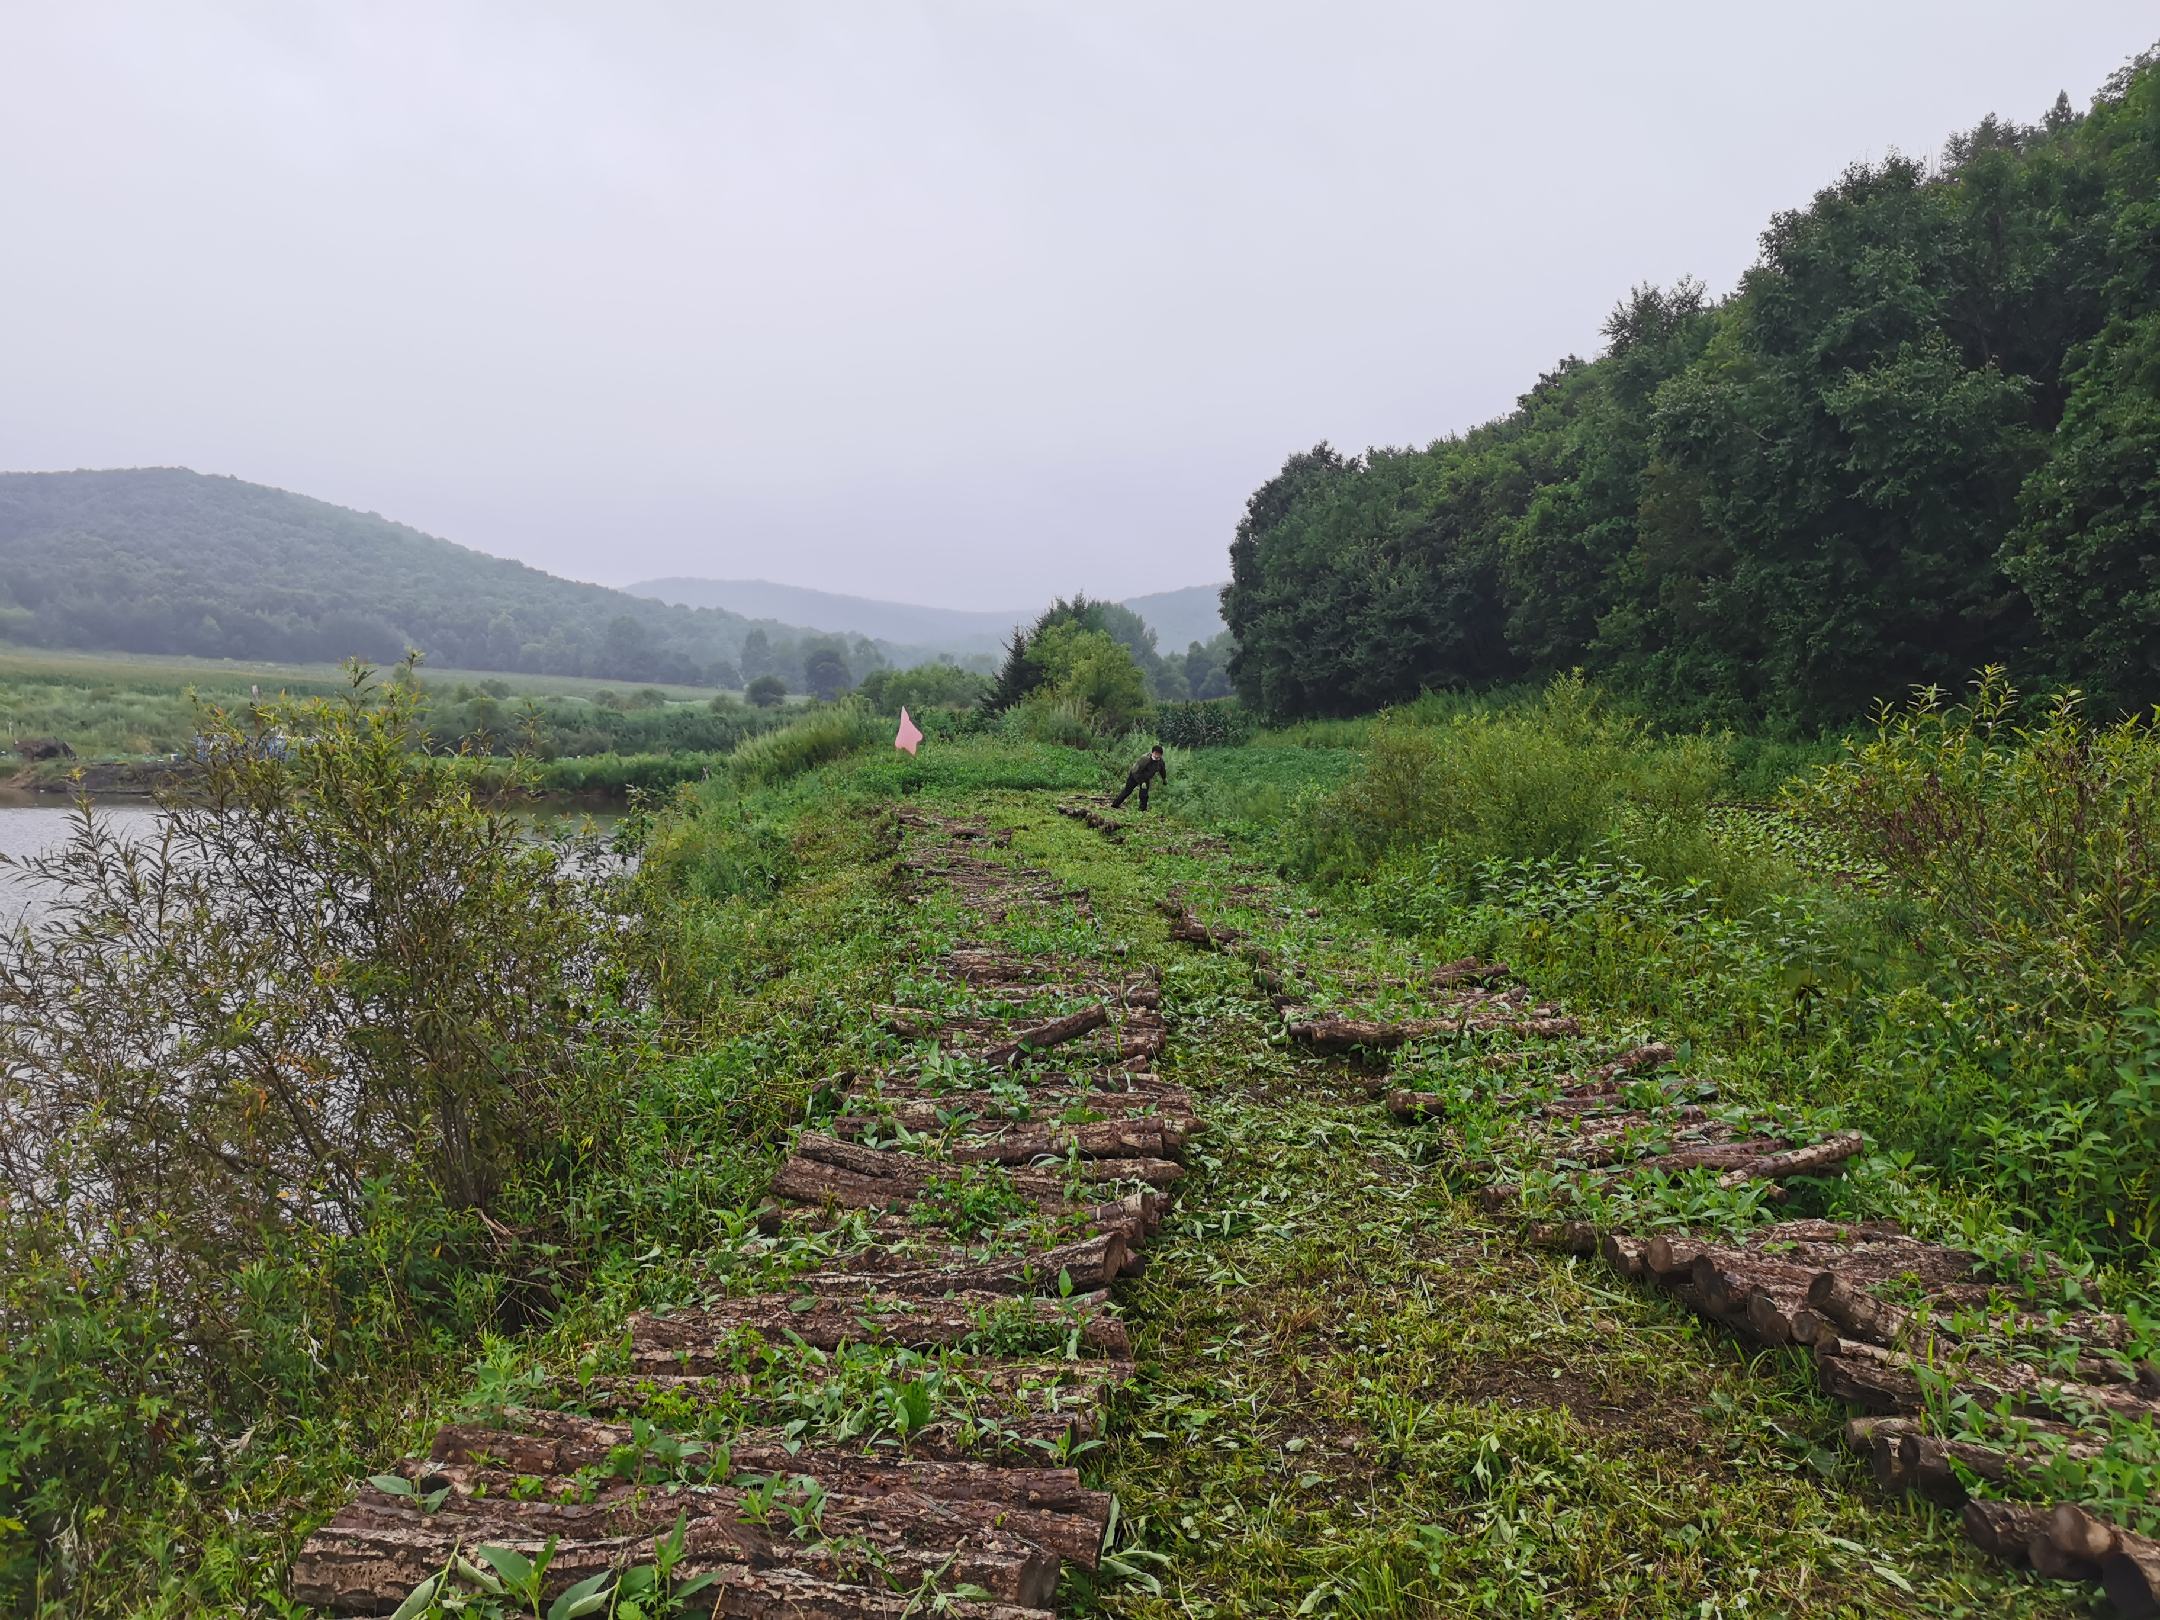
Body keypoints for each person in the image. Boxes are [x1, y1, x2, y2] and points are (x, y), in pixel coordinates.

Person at [1110, 744, 1168, 811]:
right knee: (1127, 791)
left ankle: (1142, 810)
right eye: (1156, 753)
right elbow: (1135, 771)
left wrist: (1164, 779)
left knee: (1144, 794)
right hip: (1134, 776)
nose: (1157, 755)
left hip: (1146, 779)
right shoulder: (1145, 759)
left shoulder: (1160, 762)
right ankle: (1115, 804)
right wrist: (1141, 781)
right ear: (1153, 752)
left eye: (1159, 754)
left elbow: (1162, 770)